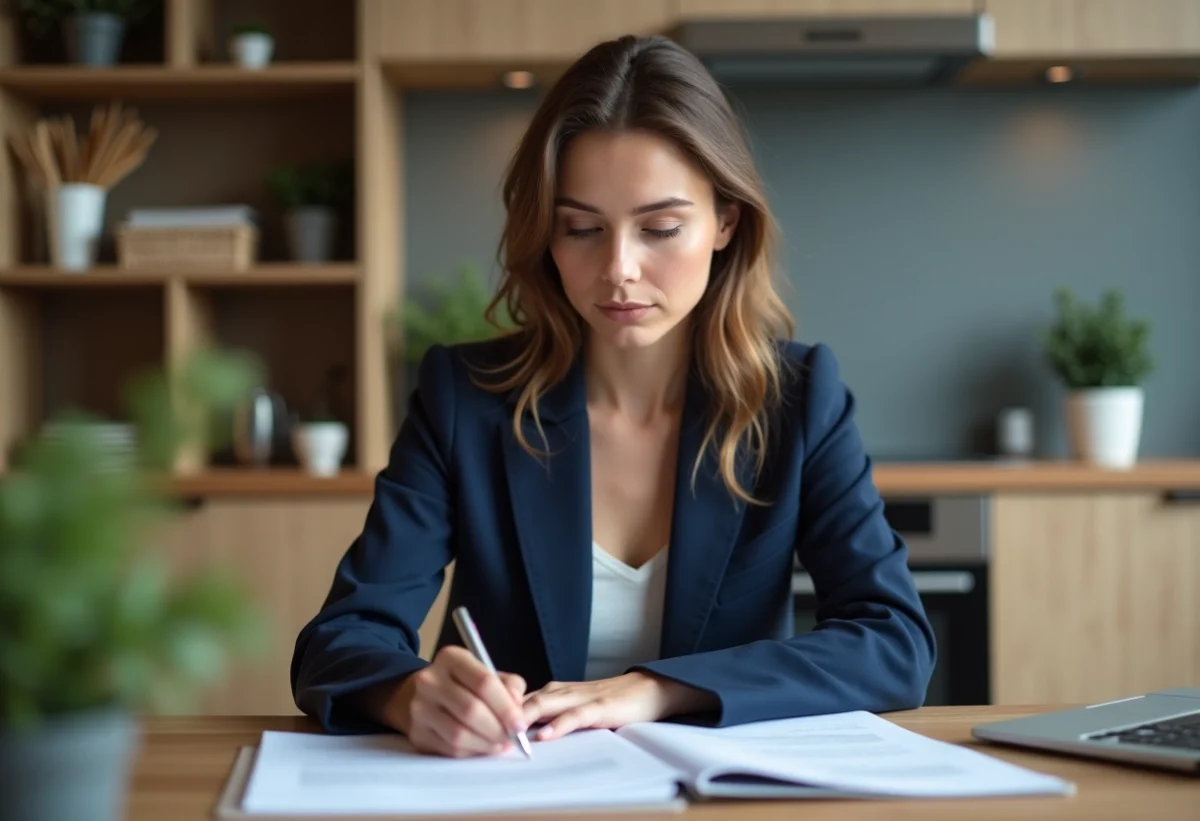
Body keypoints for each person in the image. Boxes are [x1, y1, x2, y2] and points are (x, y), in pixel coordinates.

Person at [290, 33, 935, 759]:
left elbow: (893, 642)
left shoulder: (799, 400)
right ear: (547, 235)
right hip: (514, 794)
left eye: (660, 227)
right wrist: (409, 696)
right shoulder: (463, 399)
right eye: (582, 229)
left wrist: (652, 688)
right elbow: (340, 640)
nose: (619, 268)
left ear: (726, 221)